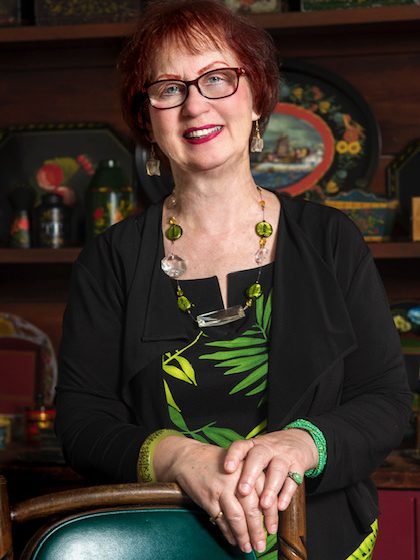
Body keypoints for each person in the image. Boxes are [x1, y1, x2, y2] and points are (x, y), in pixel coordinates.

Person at [55, 1, 412, 558]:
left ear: (258, 97)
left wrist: (301, 445)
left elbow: (385, 400)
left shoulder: (331, 240)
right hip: (165, 543)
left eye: (217, 78)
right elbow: (82, 421)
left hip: (319, 539)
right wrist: (178, 456)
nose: (195, 104)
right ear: (147, 118)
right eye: (169, 88)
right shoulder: (110, 259)